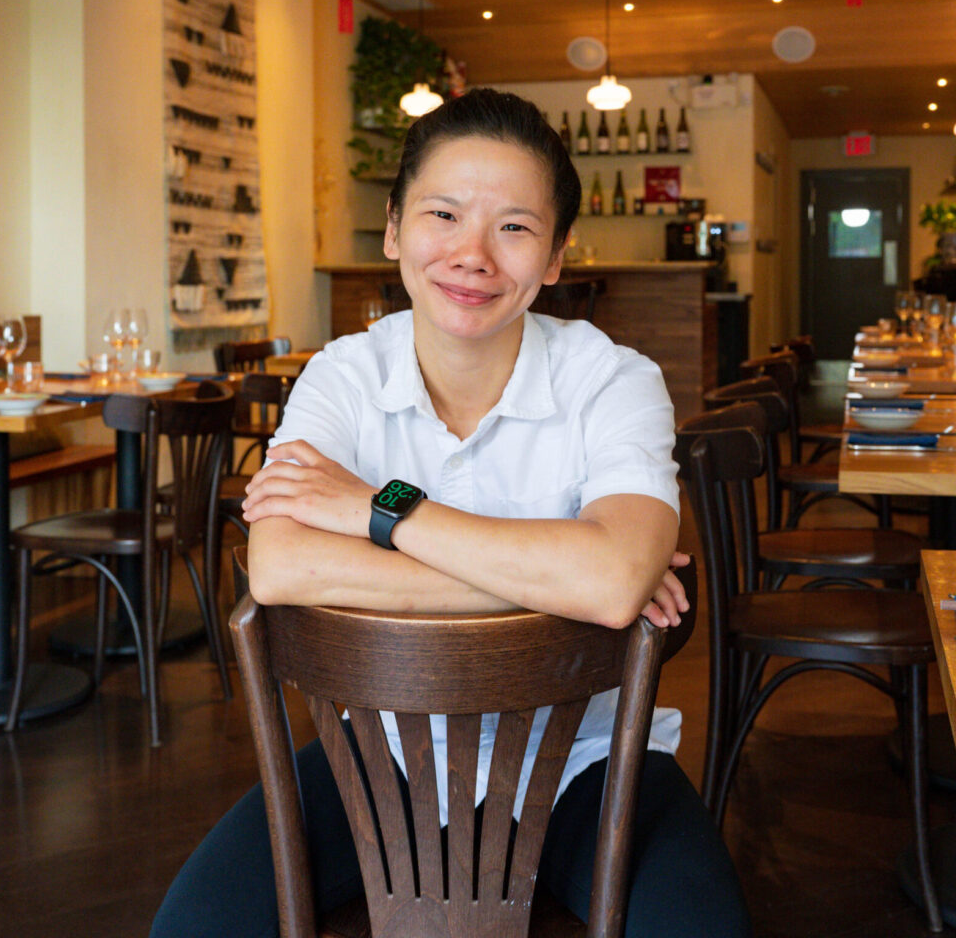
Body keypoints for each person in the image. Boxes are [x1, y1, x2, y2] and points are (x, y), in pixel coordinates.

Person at [150, 89, 750, 937]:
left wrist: (381, 511)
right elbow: (282, 566)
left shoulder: (615, 379)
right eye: (443, 214)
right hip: (380, 759)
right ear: (395, 229)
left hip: (587, 764)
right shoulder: (342, 376)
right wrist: (567, 582)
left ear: (553, 257)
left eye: (513, 227)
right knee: (191, 929)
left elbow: (614, 581)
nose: (472, 255)